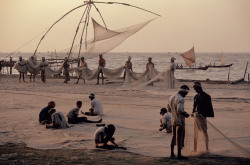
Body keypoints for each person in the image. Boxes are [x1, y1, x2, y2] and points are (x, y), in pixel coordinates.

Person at [168, 85, 190, 159]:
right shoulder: (181, 99)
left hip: (173, 119)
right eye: (186, 93)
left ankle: (172, 153)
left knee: (173, 136)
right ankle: (179, 155)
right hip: (180, 120)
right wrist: (186, 114)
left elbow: (169, 109)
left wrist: (175, 114)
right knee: (180, 137)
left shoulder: (171, 97)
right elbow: (180, 110)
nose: (186, 95)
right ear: (183, 92)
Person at [192, 81, 214, 152]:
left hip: (202, 116)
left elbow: (208, 107)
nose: (195, 90)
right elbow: (194, 106)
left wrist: (203, 113)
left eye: (196, 88)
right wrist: (193, 112)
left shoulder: (206, 96)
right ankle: (195, 148)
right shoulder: (195, 96)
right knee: (195, 132)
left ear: (199, 87)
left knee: (205, 132)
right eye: (194, 89)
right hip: (196, 116)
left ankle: (207, 148)